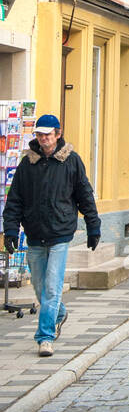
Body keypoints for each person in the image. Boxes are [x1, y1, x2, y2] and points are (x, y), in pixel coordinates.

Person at [2, 114, 100, 356]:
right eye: (39, 134)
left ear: (58, 134)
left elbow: (84, 195)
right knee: (39, 286)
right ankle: (59, 313)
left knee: (52, 287)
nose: (43, 139)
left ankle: (45, 337)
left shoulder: (71, 161)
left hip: (60, 232)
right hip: (35, 233)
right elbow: (15, 199)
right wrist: (11, 230)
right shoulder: (28, 163)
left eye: (48, 134)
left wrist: (93, 226)